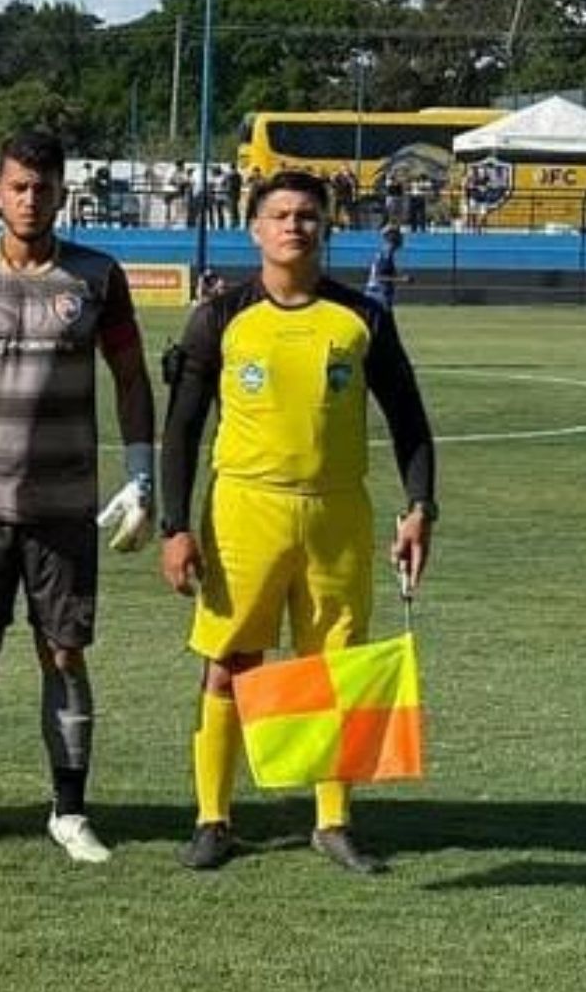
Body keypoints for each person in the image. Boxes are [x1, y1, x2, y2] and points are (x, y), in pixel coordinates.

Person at [159, 169, 436, 875]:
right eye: (280, 215)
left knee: (333, 669)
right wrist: (174, 525)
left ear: (326, 227)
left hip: (337, 512)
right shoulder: (220, 316)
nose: (294, 226)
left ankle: (333, 821)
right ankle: (213, 818)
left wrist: (420, 507)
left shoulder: (363, 317)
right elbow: (182, 428)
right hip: (245, 508)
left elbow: (409, 418)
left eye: (308, 215)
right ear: (254, 228)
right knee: (230, 663)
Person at [0, 129, 157, 864]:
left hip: (65, 507)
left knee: (64, 656)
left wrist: (141, 475)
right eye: (18, 186)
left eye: (43, 187)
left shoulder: (97, 276)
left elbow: (131, 376)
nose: (30, 199)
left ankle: (69, 812)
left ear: (63, 192)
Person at [364, 222, 407, 310]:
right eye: (398, 235)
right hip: (378, 295)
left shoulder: (386, 253)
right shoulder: (386, 255)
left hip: (378, 295)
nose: (401, 238)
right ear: (391, 238)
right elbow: (379, 277)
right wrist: (402, 279)